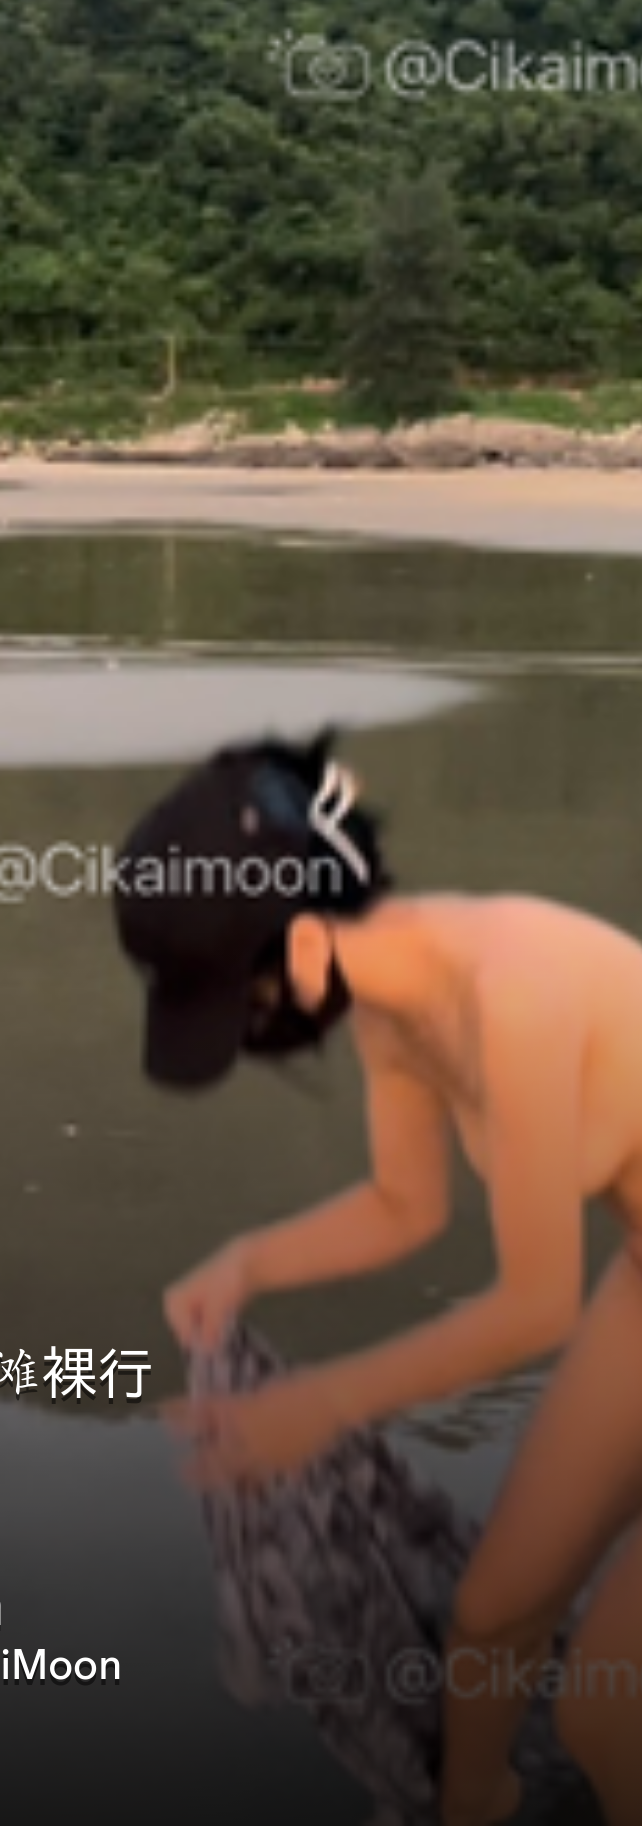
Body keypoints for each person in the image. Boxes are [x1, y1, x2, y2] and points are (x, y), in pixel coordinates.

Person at [112, 727, 642, 1826]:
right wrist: (248, 1263)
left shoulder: (514, 993)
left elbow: (537, 1303)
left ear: (305, 944)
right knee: (490, 1620)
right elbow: (409, 1205)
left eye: (245, 1006)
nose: (258, 1035)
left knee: (607, 1709)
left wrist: (318, 1406)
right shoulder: (401, 1006)